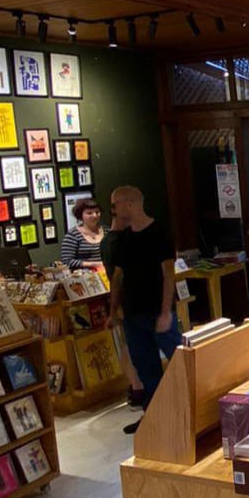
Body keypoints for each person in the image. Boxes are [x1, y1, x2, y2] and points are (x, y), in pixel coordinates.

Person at [107, 186, 181, 435]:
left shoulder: (159, 233)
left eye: (115, 204)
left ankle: (186, 413)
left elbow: (168, 273)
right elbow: (118, 277)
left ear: (130, 203)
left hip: (157, 311)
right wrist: (113, 311)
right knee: (146, 368)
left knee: (178, 361)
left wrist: (166, 311)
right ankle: (153, 416)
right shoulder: (124, 238)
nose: (113, 210)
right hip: (133, 313)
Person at [101, 210, 145, 410]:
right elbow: (118, 277)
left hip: (127, 302)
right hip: (133, 301)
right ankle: (139, 388)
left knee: (128, 344)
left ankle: (137, 389)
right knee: (133, 345)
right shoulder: (124, 241)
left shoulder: (108, 242)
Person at [60, 198, 105, 269]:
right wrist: (95, 264)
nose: (94, 215)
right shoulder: (73, 235)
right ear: (81, 215)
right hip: (84, 274)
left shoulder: (107, 231)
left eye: (97, 212)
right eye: (89, 213)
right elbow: (67, 261)